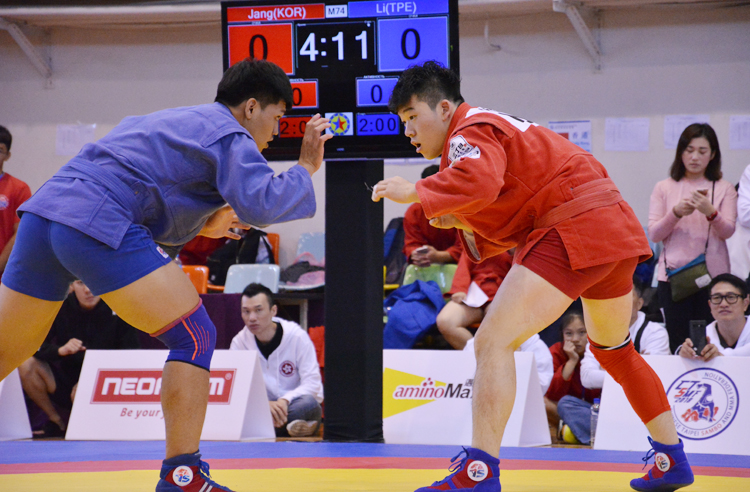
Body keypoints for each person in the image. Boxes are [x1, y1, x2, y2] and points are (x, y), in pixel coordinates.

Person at [0, 59, 331, 492]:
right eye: (278, 117)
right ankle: (184, 475)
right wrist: (305, 167)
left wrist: (207, 223)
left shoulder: (173, 120)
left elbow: (155, 194)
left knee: (8, 348)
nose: (275, 132)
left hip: (45, 214)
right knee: (194, 336)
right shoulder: (232, 133)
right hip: (94, 218)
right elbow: (262, 204)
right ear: (252, 107)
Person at [372, 61, 693, 492]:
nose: (408, 132)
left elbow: (479, 185)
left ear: (444, 107)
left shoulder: (468, 131)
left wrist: (415, 191)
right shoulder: (492, 128)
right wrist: (459, 217)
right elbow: (502, 207)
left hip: (573, 225)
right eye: (403, 123)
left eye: (413, 118)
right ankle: (672, 458)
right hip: (611, 225)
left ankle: (478, 472)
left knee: (490, 341)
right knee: (615, 351)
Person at [648, 123, 737, 353]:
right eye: (689, 150)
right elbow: (654, 234)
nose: (695, 157)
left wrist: (711, 212)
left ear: (713, 154)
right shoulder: (664, 187)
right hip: (674, 278)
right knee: (678, 341)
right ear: (680, 152)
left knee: (712, 341)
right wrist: (676, 213)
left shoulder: (724, 188)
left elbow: (728, 231)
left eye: (702, 151)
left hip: (713, 277)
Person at [18, 280, 140, 437]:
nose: (88, 289)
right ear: (71, 286)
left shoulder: (119, 307)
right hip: (66, 381)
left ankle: (100, 426)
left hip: (105, 383)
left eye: (92, 282)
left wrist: (93, 378)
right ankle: (57, 421)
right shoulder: (59, 306)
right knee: (26, 364)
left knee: (83, 391)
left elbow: (132, 353)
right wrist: (60, 350)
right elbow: (34, 345)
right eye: (81, 283)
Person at [230, 283, 323, 437]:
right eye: (246, 312)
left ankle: (267, 429)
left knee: (310, 405)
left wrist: (284, 400)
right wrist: (264, 405)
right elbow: (236, 388)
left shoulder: (297, 337)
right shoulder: (239, 342)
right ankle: (293, 428)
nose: (252, 318)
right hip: (259, 408)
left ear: (273, 310)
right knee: (235, 411)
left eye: (258, 310)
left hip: (291, 405)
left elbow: (313, 384)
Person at [581, 276, 670, 388]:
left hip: (644, 399)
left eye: (626, 294)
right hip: (609, 402)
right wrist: (635, 368)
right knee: (567, 402)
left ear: (639, 304)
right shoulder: (598, 333)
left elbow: (651, 376)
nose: (620, 301)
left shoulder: (655, 332)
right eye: (616, 295)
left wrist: (608, 369)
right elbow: (587, 378)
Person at [544, 312, 601, 445]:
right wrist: (571, 361)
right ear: (562, 335)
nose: (575, 339)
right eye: (569, 334)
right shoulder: (556, 352)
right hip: (570, 410)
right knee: (549, 402)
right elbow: (553, 395)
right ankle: (576, 430)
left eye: (582, 332)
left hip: (596, 411)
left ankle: (575, 432)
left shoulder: (600, 351)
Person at [437, 250, 513, 349]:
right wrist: (460, 289)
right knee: (445, 321)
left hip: (503, 294)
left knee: (501, 322)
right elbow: (464, 266)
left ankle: (500, 358)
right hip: (472, 294)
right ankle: (477, 355)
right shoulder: (474, 240)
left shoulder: (515, 241)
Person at [677, 273, 750, 360]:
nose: (723, 304)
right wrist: (684, 353)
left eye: (731, 297)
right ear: (710, 305)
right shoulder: (705, 335)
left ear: (745, 303)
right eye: (716, 298)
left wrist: (720, 356)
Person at [403, 164, 462, 267]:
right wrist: (417, 254)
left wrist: (440, 256)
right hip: (424, 265)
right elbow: (412, 244)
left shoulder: (461, 208)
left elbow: (468, 247)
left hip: (459, 265)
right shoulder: (414, 212)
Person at [0, 125, 32, 275]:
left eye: (0, 150)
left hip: (5, 275)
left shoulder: (19, 189)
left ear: (8, 155)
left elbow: (20, 233)